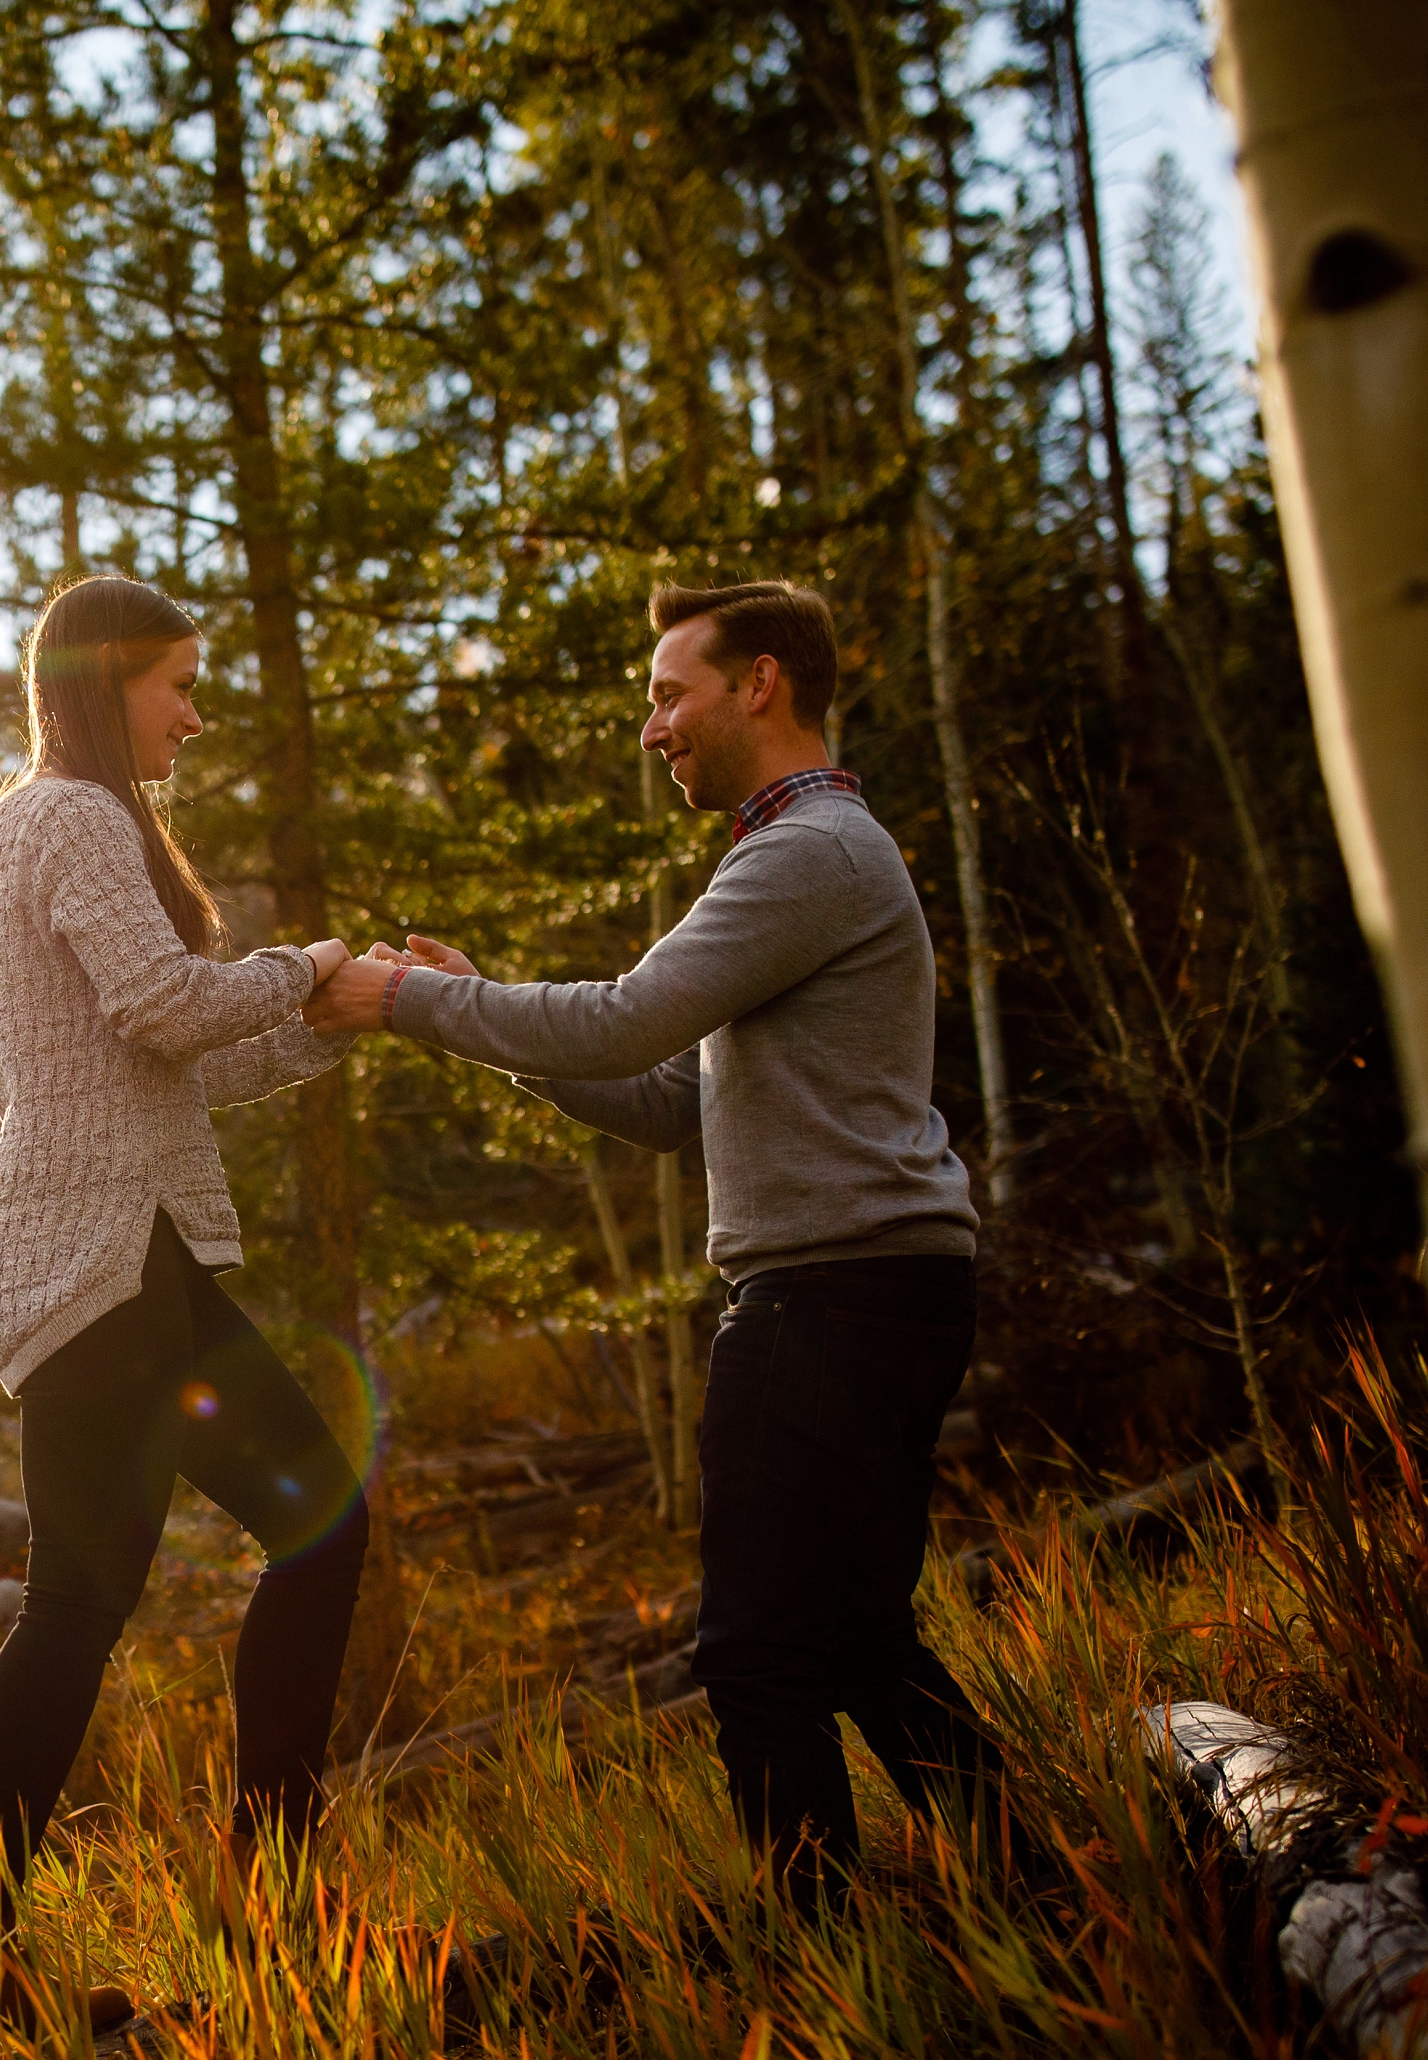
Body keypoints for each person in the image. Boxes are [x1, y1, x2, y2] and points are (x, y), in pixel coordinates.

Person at [307, 579, 1002, 1915]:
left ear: (761, 685)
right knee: (857, 1637)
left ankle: (834, 1973)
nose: (652, 730)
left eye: (670, 694)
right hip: (875, 1287)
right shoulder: (808, 854)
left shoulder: (805, 851)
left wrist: (408, 999)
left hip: (828, 1297)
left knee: (754, 1660)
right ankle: (1047, 1876)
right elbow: (673, 1097)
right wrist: (473, 1012)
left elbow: (625, 1020)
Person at [0, 574, 373, 2025]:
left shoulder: (75, 825)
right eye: (178, 681)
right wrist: (303, 962)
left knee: (314, 1524)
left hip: (148, 1257)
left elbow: (180, 1064)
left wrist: (338, 1017)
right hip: (91, 1263)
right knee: (79, 1603)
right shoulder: (63, 814)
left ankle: (268, 1904)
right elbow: (173, 1008)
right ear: (106, 680)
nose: (194, 709)